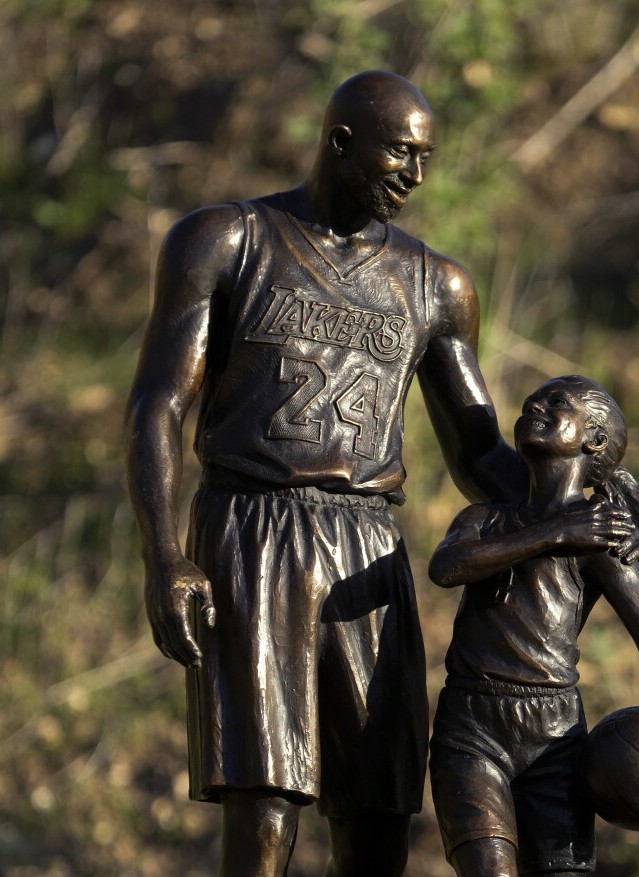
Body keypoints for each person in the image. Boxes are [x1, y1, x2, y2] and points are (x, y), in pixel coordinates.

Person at [125, 70, 532, 877]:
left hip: (367, 547)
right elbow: (157, 405)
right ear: (341, 142)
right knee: (266, 799)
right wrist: (164, 553)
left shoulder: (434, 286)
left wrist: (590, 506)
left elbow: (479, 452)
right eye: (400, 156)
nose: (415, 177)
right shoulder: (227, 240)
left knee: (379, 805)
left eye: (425, 159)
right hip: (252, 526)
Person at [428, 375, 639, 877]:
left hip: (554, 736)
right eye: (533, 397)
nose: (534, 403)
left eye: (558, 402)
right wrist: (555, 531)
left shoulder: (602, 537)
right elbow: (447, 567)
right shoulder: (482, 519)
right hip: (470, 726)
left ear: (594, 441)